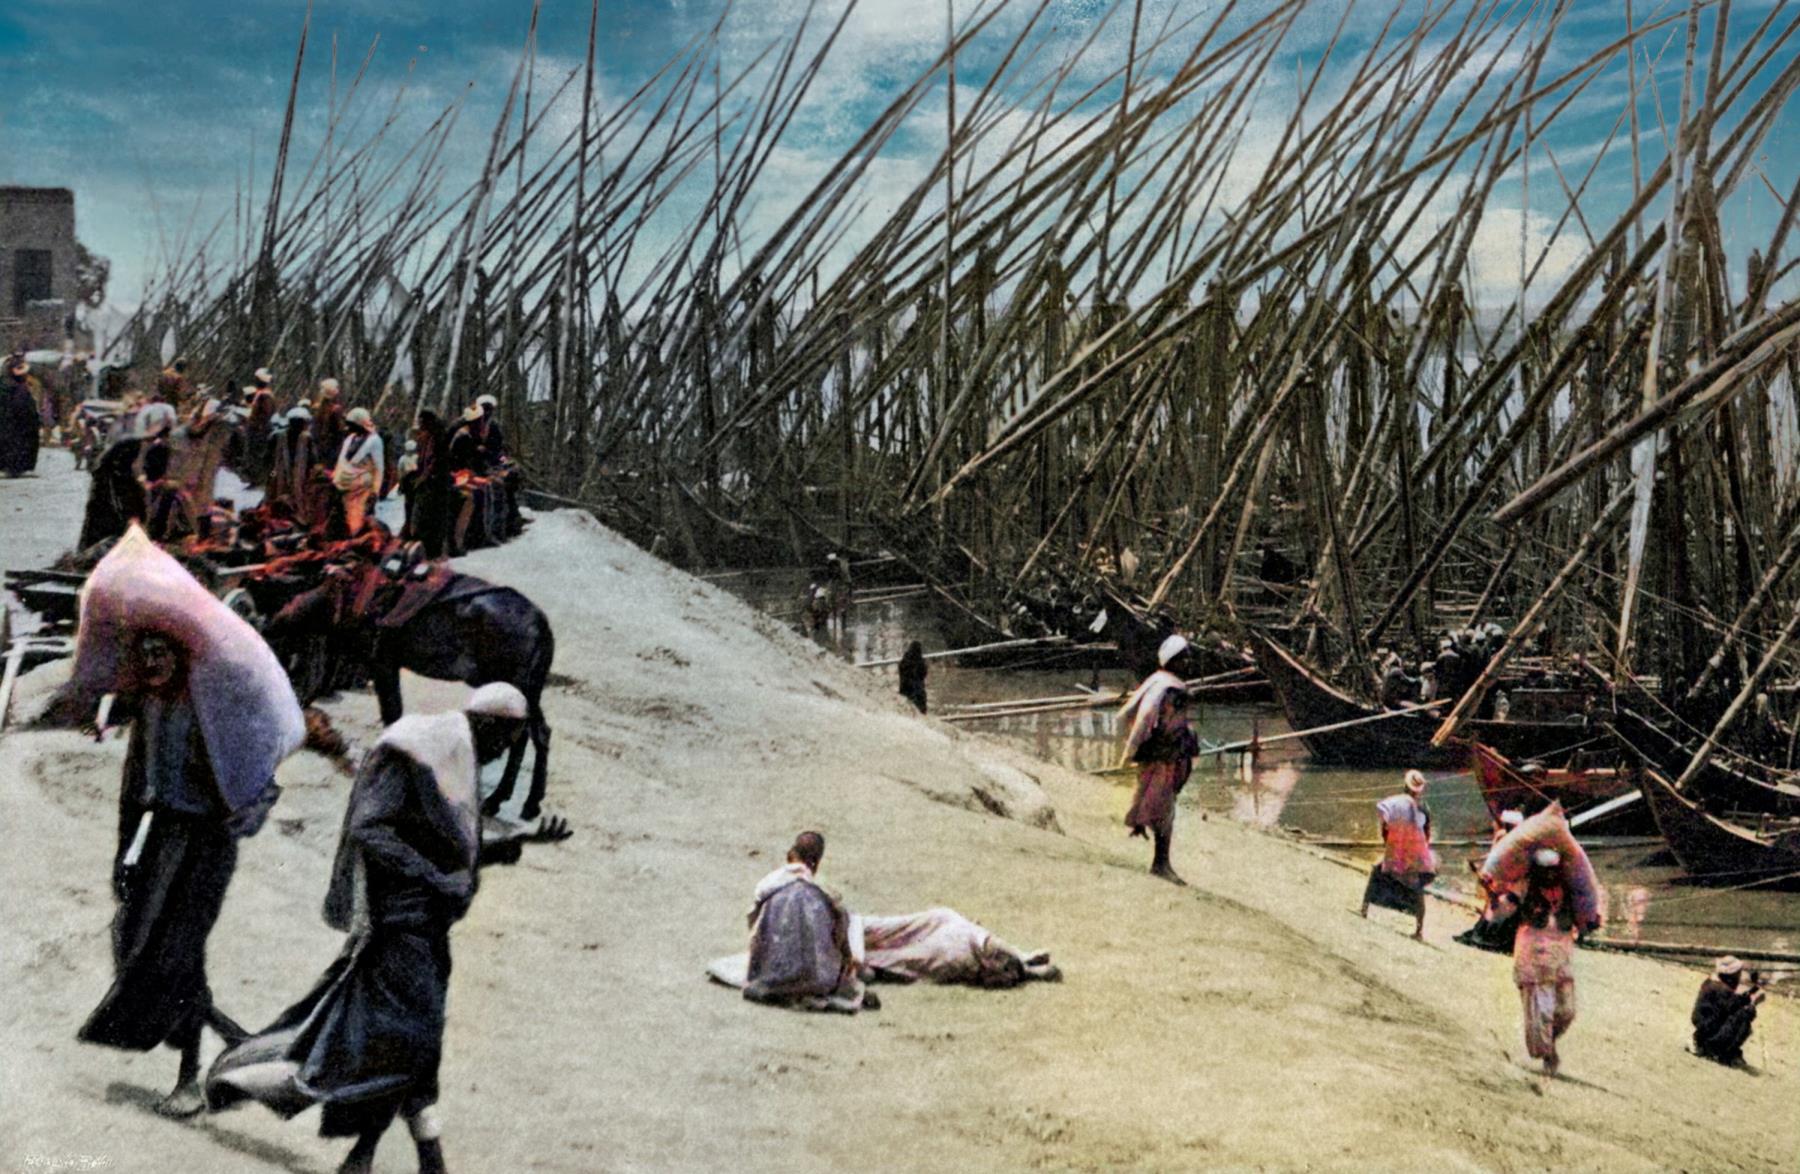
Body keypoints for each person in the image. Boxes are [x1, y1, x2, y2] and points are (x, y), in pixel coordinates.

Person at [207, 684, 535, 1174]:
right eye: (505, 740)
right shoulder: (415, 753)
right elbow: (370, 828)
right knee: (409, 1040)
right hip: (397, 922)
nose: (502, 752)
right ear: (491, 724)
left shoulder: (454, 752)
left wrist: (495, 852)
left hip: (427, 925)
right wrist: (435, 876)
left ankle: (376, 1157)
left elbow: (440, 840)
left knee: (403, 1041)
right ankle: (404, 1158)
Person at [62, 530, 302, 1118]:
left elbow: (252, 773)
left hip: (205, 842)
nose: (151, 661)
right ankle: (238, 1044)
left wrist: (239, 812)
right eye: (144, 653)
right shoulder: (149, 707)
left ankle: (190, 1078)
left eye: (161, 652)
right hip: (162, 837)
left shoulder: (211, 708)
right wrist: (124, 855)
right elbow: (134, 790)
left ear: (181, 654)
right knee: (134, 945)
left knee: (180, 956)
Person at [742, 831, 869, 1012]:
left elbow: (754, 924)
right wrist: (847, 957)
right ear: (816, 862)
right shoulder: (825, 893)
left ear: (791, 855)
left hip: (769, 973)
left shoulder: (768, 885)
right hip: (817, 980)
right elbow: (840, 932)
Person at [1119, 634, 1199, 885]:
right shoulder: (1173, 689)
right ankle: (1161, 864)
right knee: (1165, 810)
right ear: (1172, 661)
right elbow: (1153, 720)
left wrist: (1133, 748)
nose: (1189, 662)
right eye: (1184, 658)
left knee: (1156, 803)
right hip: (1164, 756)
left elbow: (1134, 715)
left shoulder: (1156, 681)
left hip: (1157, 754)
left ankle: (1159, 858)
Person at [1514, 848, 1582, 1074]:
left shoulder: (1567, 892)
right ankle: (1548, 1053)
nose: (1550, 875)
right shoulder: (1525, 889)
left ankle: (1549, 1042)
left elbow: (1581, 914)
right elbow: (1507, 905)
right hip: (1534, 956)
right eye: (1545, 871)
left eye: (1554, 870)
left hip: (1560, 955)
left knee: (1567, 1011)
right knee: (1542, 1010)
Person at [1361, 770, 1437, 940]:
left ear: (1405, 786)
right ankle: (1419, 931)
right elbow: (1426, 836)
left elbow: (1385, 826)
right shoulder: (1423, 810)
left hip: (1397, 851)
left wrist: (1391, 845)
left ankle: (1364, 909)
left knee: (1376, 870)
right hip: (1415, 855)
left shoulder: (1395, 804)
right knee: (1417, 889)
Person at [1455, 809, 1524, 952]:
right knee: (1492, 903)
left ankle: (1495, 937)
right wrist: (1478, 861)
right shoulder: (1503, 836)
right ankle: (1484, 933)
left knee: (1500, 905)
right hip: (1498, 874)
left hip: (1507, 876)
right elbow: (1494, 854)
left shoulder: (1518, 842)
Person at [78, 417, 150, 549]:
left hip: (110, 491)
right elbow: (122, 485)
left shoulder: (133, 444)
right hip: (109, 498)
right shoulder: (130, 448)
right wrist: (132, 515)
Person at [1691, 956, 1764, 1066]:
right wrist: (1754, 1003)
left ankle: (1713, 1047)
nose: (1740, 975)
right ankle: (1719, 1051)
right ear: (1733, 974)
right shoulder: (1722, 990)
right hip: (1711, 1034)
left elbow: (1732, 1003)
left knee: (1739, 1015)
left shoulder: (1713, 983)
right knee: (1744, 1018)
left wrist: (1752, 992)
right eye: (1738, 972)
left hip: (1704, 1030)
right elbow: (1739, 1009)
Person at [331, 406, 385, 536]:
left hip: (362, 488)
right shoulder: (350, 439)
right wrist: (336, 478)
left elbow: (379, 468)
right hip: (344, 487)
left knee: (357, 520)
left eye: (352, 425)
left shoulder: (375, 441)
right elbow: (342, 461)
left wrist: (375, 492)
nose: (348, 428)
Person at [1, 355, 42, 477]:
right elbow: (20, 405)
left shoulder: (11, 384)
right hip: (17, 422)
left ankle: (14, 467)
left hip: (14, 423)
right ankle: (14, 468)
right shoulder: (14, 386)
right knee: (16, 444)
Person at [898, 640, 929, 714]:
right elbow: (923, 673)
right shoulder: (920, 661)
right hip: (917, 689)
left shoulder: (904, 660)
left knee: (908, 708)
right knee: (920, 708)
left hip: (905, 688)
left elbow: (901, 670)